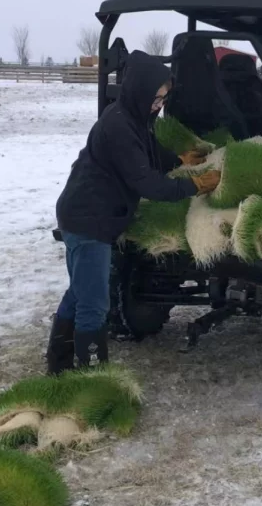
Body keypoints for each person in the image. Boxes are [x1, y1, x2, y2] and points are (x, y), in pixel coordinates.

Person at [49, 50, 219, 373]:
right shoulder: (119, 127)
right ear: (140, 90)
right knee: (94, 304)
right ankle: (93, 379)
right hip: (89, 221)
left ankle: (58, 366)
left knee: (79, 292)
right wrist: (195, 185)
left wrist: (178, 161)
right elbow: (149, 184)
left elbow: (149, 149)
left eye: (164, 98)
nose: (159, 104)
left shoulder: (132, 117)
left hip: (85, 214)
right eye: (157, 98)